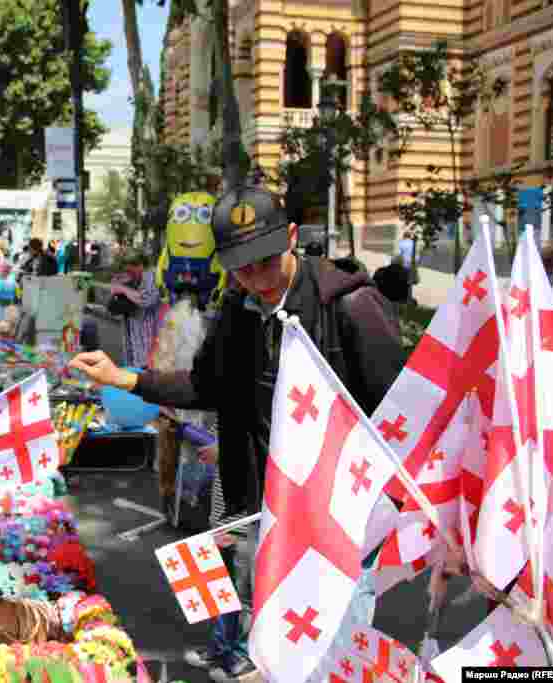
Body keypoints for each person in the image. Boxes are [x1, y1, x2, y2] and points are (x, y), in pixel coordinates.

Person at [69, 185, 404, 683]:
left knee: (336, 658)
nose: (257, 278)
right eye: (242, 266)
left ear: (291, 237)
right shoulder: (237, 306)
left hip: (343, 523)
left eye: (266, 261)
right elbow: (207, 385)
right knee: (275, 652)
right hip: (268, 514)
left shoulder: (351, 305)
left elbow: (398, 420)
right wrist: (126, 378)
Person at [110, 251, 161, 369]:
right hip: (134, 345)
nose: (128, 274)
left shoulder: (152, 277)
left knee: (147, 376)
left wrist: (122, 289)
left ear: (140, 266)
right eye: (126, 271)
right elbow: (114, 307)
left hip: (148, 345)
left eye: (130, 271)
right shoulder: (133, 279)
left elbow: (146, 300)